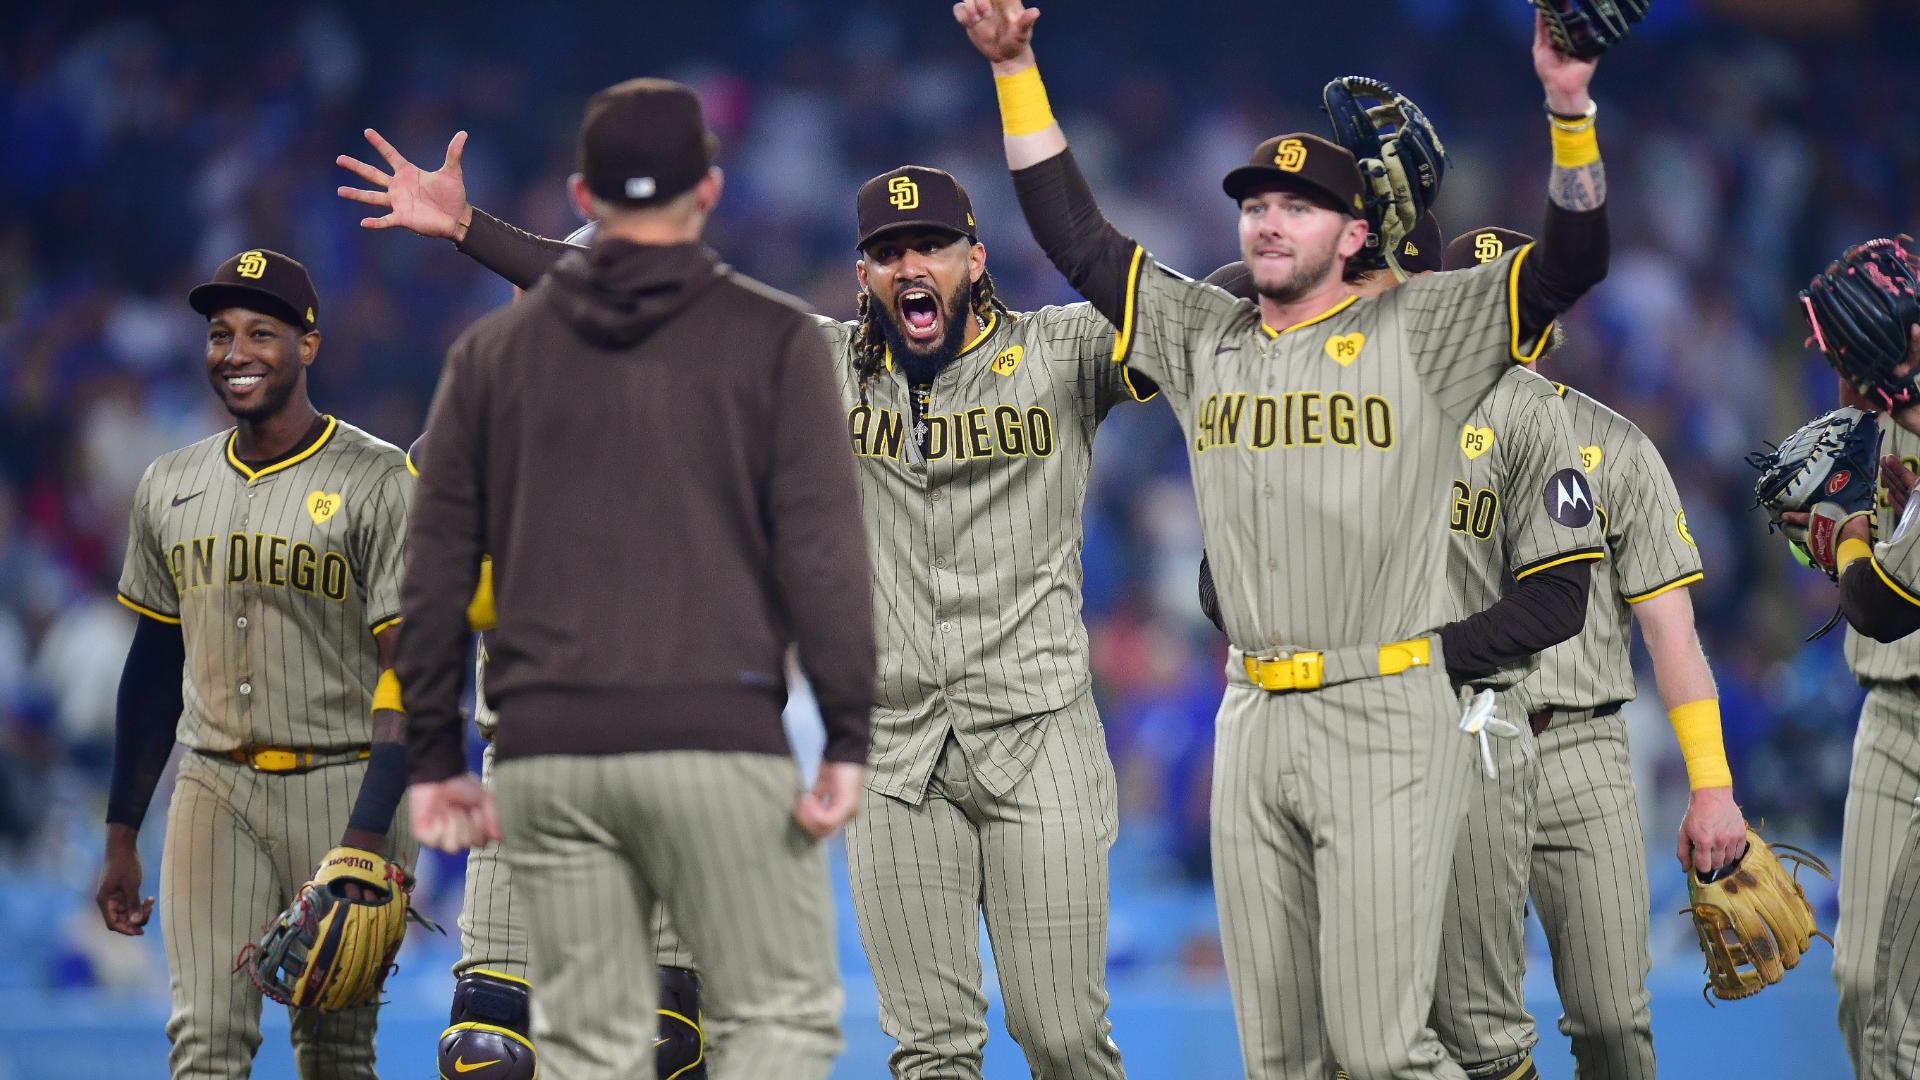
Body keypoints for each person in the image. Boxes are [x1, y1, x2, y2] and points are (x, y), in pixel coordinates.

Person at [340, 129, 1162, 1080]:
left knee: (1060, 1037)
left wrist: (1327, 281)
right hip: (888, 748)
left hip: (1020, 733)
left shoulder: (1046, 351)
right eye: (888, 251)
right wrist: (471, 229)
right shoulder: (801, 365)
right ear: (861, 274)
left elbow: (1195, 314)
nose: (910, 265)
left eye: (930, 243)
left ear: (974, 258)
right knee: (929, 1054)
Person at [955, 1, 1611, 1075]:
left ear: (1356, 233)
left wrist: (1570, 108)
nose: (1266, 220)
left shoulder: (1425, 330)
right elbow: (1076, 237)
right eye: (1255, 203)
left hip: (1386, 705)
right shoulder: (1204, 333)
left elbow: (1571, 263)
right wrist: (1016, 66)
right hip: (1252, 709)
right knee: (1283, 1060)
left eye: (1298, 207)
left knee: (1381, 1049)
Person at [394, 78, 875, 1080]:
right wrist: (846, 738)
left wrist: (434, 755)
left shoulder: (492, 356)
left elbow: (430, 576)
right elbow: (823, 558)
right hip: (714, 745)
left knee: (499, 1049)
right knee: (707, 1044)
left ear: (580, 194)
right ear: (708, 193)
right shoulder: (774, 341)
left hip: (546, 747)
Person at [95, 248, 416, 1078]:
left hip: (346, 783)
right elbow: (152, 665)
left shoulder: (378, 481)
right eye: (220, 333)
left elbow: (412, 672)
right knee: (204, 1042)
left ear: (308, 345)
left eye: (261, 333)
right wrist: (121, 834)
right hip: (214, 787)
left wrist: (368, 838)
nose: (235, 352)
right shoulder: (169, 483)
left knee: (337, 1054)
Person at [1439, 227, 1748, 1079]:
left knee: (1614, 1021)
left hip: (1582, 746)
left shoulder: (1613, 447)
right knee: (1474, 1038)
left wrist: (1712, 786)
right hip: (1452, 737)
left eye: (1523, 299)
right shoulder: (1405, 435)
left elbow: (1673, 636)